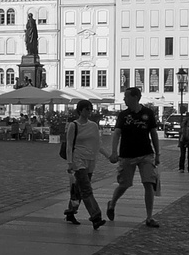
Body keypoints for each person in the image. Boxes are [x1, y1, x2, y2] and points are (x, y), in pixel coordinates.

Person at [107, 87, 161, 227]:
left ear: (135, 97)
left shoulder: (148, 113)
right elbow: (117, 134)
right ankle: (112, 204)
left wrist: (157, 153)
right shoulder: (123, 115)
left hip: (146, 154)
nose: (124, 99)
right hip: (127, 155)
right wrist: (114, 151)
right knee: (125, 184)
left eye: (126, 96)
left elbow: (153, 134)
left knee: (148, 183)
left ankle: (149, 217)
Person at [63, 100, 107, 229]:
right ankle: (96, 216)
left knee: (79, 188)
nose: (89, 111)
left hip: (90, 160)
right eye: (87, 109)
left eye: (90, 109)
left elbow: (98, 144)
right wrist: (70, 163)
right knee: (87, 189)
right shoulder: (74, 125)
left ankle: (70, 212)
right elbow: (69, 145)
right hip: (78, 159)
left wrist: (109, 156)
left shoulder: (93, 125)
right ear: (80, 110)